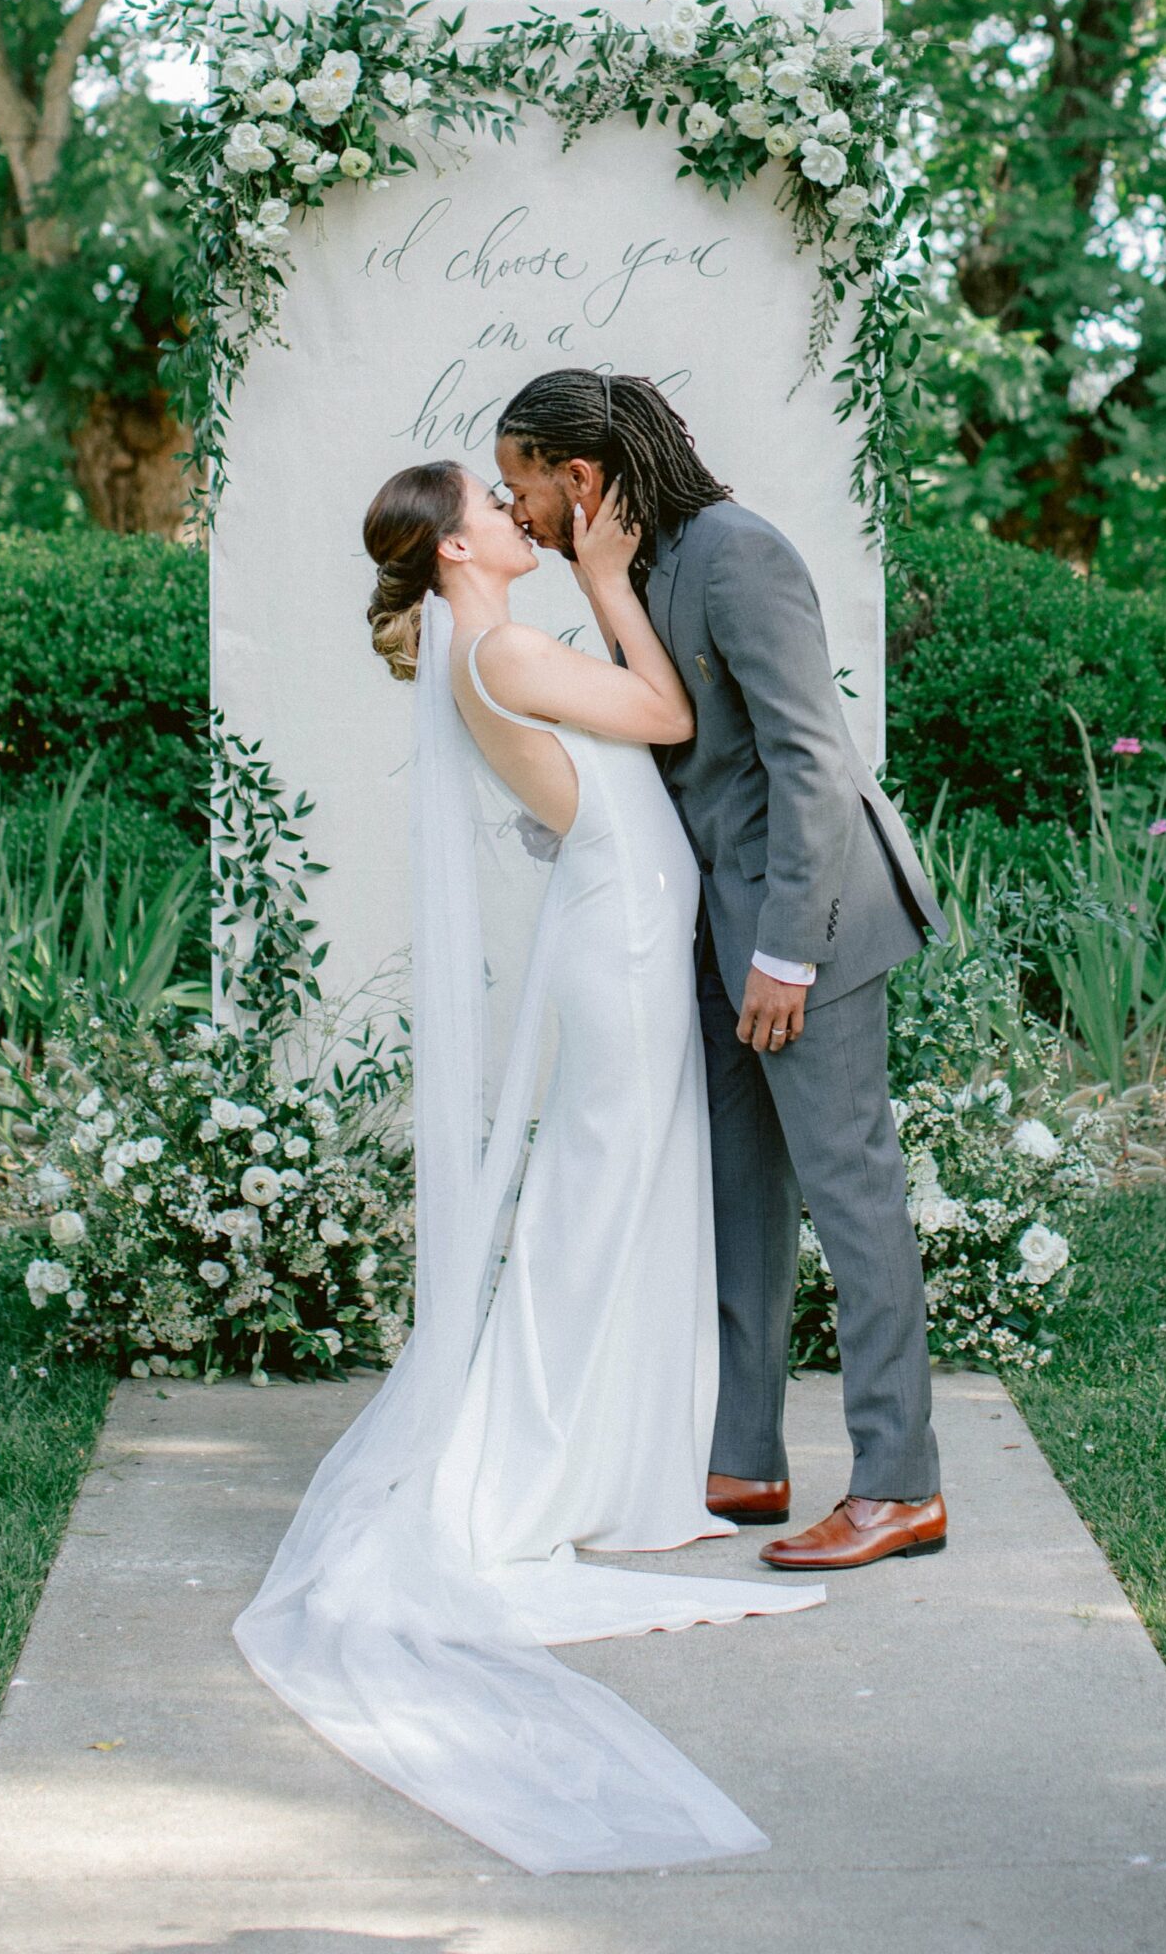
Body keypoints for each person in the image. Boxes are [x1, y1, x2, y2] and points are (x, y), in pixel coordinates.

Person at [232, 458, 819, 1878]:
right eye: (490, 515)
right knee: (590, 1211)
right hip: (617, 947)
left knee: (612, 1207)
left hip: (621, 928)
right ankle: (534, 1483)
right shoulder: (503, 644)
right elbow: (671, 714)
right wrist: (613, 581)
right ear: (450, 555)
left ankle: (605, 1468)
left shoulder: (491, 646)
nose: (518, 522)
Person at [494, 368, 949, 1571]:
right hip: (713, 935)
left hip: (812, 934)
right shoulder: (632, 573)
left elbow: (810, 760)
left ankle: (900, 1482)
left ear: (579, 476)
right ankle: (742, 1458)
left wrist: (787, 954)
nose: (515, 511)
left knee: (851, 1200)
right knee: (738, 1198)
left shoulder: (737, 552)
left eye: (520, 486)